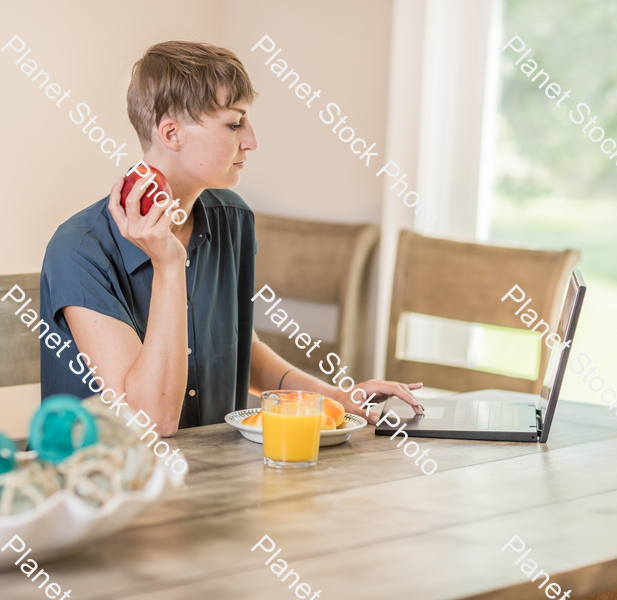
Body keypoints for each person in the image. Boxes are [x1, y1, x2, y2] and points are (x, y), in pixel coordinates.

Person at [40, 40, 423, 436]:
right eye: (235, 123)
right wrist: (169, 267)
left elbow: (241, 351)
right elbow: (151, 421)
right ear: (172, 133)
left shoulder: (231, 218)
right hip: (111, 486)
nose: (251, 140)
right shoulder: (80, 250)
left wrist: (336, 399)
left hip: (215, 475)